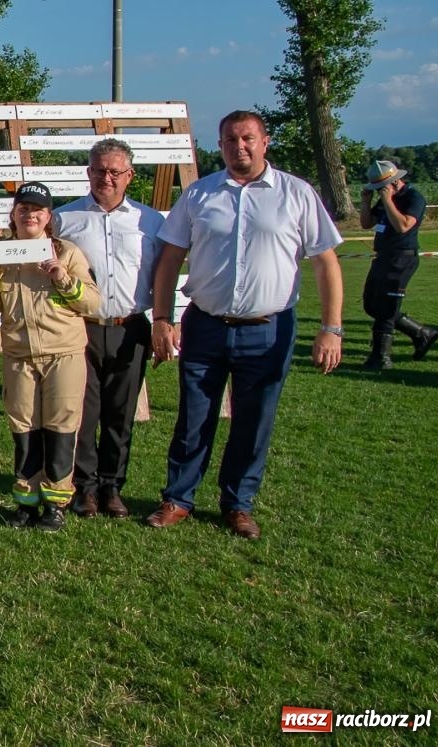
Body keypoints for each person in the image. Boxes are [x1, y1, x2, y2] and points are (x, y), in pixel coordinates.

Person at [146, 111, 344, 541]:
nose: (240, 147)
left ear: (264, 141)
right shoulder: (199, 195)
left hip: (268, 328)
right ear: (219, 146)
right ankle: (178, 499)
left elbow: (326, 262)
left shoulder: (296, 193)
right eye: (230, 140)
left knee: (254, 421)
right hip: (206, 325)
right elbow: (169, 262)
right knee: (194, 418)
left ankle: (238, 504)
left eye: (248, 138)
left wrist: (332, 327)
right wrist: (162, 318)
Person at [0, 183, 101, 531]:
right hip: (19, 354)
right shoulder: (2, 254)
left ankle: (55, 503)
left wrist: (63, 278)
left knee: (60, 427)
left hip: (63, 353)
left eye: (37, 209)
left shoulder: (66, 252)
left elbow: (92, 303)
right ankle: (26, 501)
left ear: (48, 216)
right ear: (13, 214)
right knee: (23, 427)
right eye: (23, 208)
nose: (30, 214)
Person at [53, 137, 166, 519]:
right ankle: (84, 487)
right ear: (88, 172)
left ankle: (112, 486)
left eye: (115, 171)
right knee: (83, 412)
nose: (107, 178)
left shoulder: (150, 221)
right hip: (79, 328)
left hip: (130, 327)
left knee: (121, 412)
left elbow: (163, 276)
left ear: (129, 175)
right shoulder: (64, 219)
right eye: (99, 170)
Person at [358, 159, 438, 369]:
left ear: (394, 182)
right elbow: (366, 224)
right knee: (371, 304)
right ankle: (421, 333)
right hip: (383, 256)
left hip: (402, 257)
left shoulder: (413, 198)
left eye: (380, 188)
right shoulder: (385, 199)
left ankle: (381, 358)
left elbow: (403, 226)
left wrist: (388, 201)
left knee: (386, 307)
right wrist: (366, 202)